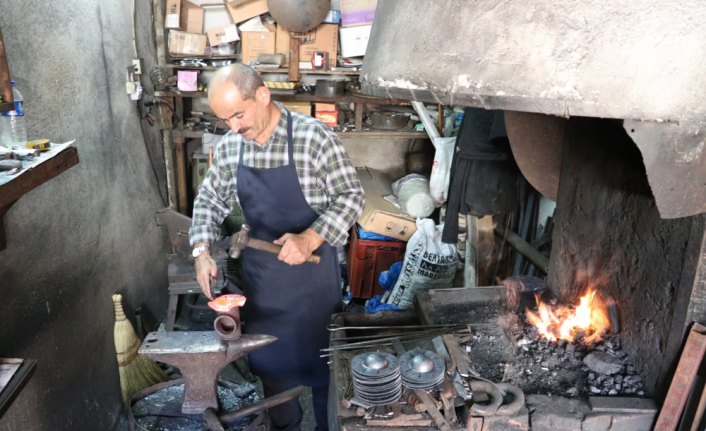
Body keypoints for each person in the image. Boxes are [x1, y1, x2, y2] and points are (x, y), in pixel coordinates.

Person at [189, 64, 364, 431]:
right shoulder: (231, 148)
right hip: (263, 283)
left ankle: (327, 425)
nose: (234, 127)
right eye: (225, 120)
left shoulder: (313, 138)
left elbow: (351, 197)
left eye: (239, 114)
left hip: (313, 282)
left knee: (323, 369)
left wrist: (311, 237)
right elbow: (208, 200)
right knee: (270, 365)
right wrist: (201, 250)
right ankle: (286, 425)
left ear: (263, 96)